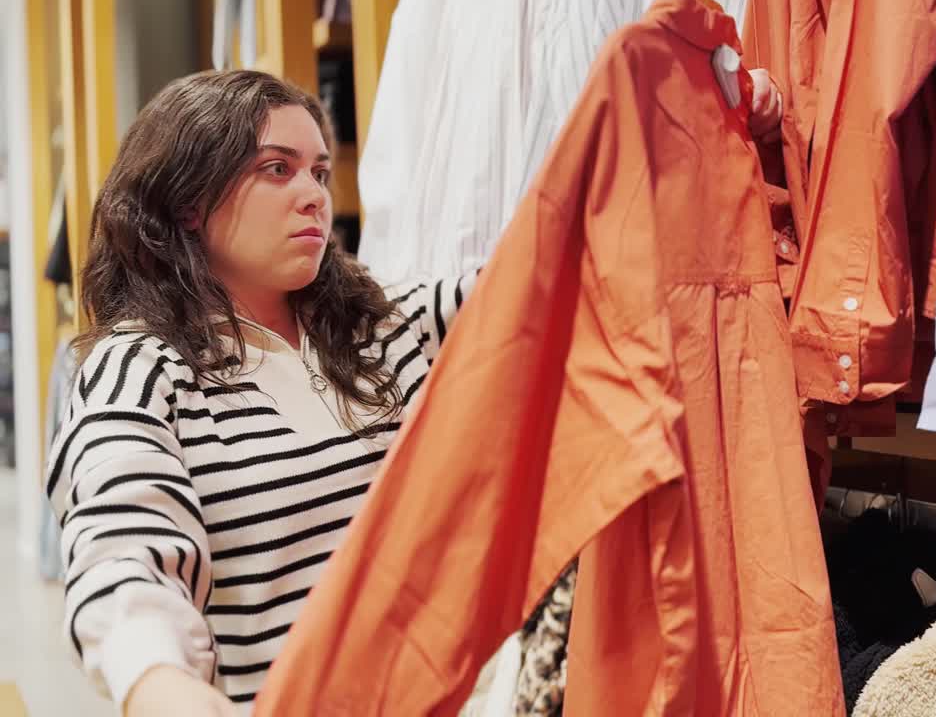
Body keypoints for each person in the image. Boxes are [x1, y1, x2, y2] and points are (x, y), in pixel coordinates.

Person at [47, 64, 784, 715]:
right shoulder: (143, 366)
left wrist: (679, 105)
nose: (311, 194)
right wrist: (156, 680)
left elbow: (547, 265)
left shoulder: (382, 331)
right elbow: (121, 547)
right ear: (187, 203)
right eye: (277, 169)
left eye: (317, 172)